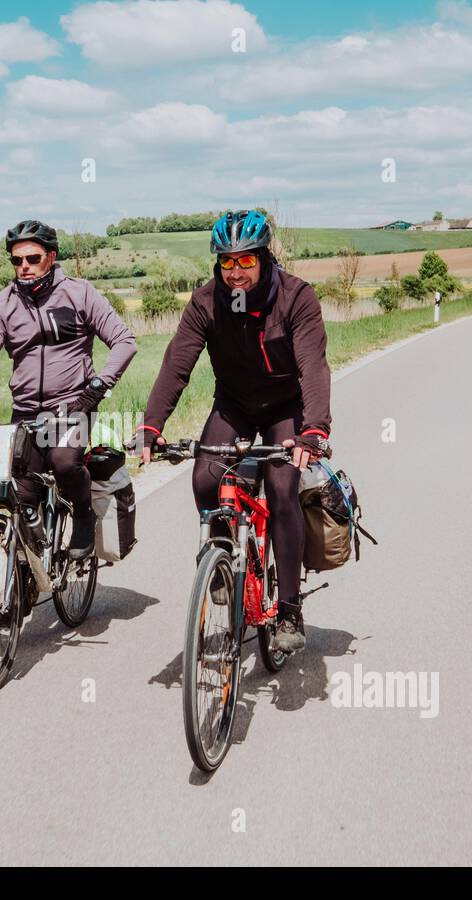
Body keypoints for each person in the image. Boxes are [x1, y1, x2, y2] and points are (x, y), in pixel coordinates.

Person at [133, 209, 331, 652]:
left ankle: (289, 608)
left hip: (287, 408)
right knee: (205, 478)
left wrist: (314, 429)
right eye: (227, 262)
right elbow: (177, 364)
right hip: (236, 406)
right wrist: (151, 424)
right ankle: (223, 557)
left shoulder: (297, 298)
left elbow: (313, 367)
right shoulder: (206, 303)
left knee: (281, 490)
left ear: (263, 258)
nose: (236, 272)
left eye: (245, 261)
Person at [0, 219, 137, 559]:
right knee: (21, 494)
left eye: (32, 258)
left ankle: (83, 516)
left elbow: (124, 342)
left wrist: (95, 390)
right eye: (16, 260)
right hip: (26, 409)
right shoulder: (3, 303)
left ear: (51, 257)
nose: (24, 266)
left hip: (74, 405)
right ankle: (23, 578)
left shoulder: (79, 293)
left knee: (64, 462)